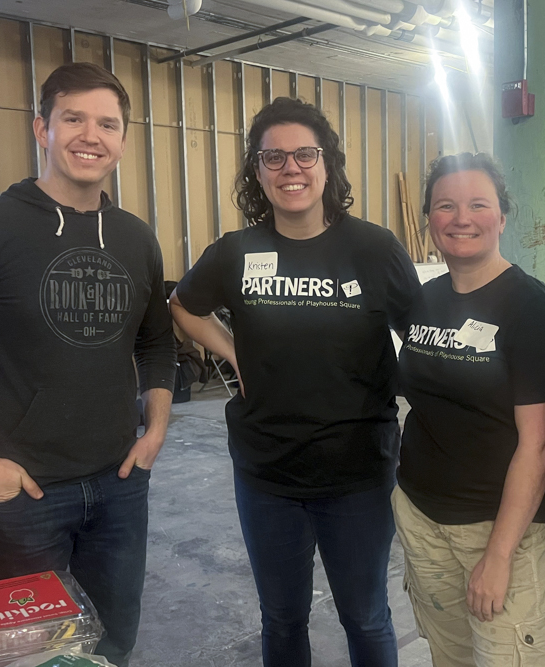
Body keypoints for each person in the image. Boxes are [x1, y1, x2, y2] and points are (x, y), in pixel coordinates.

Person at [0, 63, 176, 667]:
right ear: (41, 129)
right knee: (31, 657)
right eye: (73, 118)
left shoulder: (134, 237)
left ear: (123, 141)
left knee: (113, 644)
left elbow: (157, 343)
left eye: (108, 123)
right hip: (22, 494)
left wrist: (154, 431)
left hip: (120, 485)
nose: (91, 135)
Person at [169, 97, 420, 667]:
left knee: (365, 614)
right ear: (257, 171)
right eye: (273, 157)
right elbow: (183, 305)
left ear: (327, 163)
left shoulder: (374, 248)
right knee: (282, 618)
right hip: (268, 473)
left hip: (356, 471)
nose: (291, 169)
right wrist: (235, 354)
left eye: (305, 154)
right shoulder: (239, 250)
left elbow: (424, 336)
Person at [393, 153, 545, 666]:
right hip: (422, 515)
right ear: (429, 219)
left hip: (499, 527)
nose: (461, 218)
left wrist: (498, 555)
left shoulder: (532, 307)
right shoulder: (424, 300)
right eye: (445, 205)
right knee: (449, 656)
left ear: (502, 216)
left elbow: (538, 443)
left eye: (477, 204)